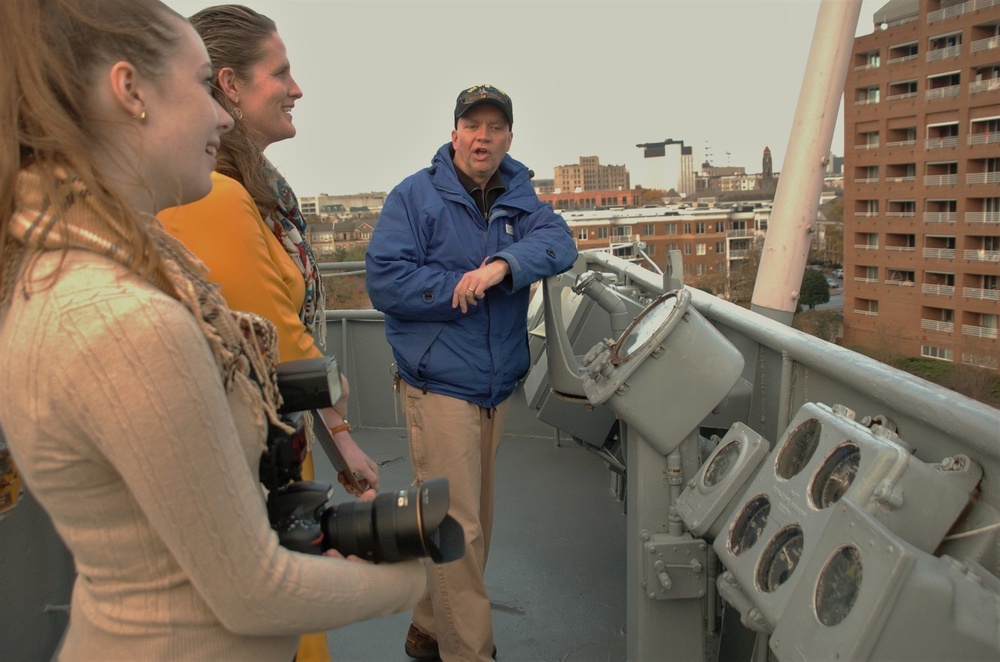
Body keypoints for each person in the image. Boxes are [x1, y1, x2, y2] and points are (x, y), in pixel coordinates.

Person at [0, 1, 424, 660]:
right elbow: (253, 590)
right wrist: (417, 574)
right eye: (204, 85)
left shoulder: (83, 276)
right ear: (130, 91)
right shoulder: (122, 321)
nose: (222, 116)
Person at [156, 7, 378, 659]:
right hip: (255, 464)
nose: (297, 88)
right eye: (279, 73)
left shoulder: (264, 190)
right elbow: (275, 341)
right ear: (228, 84)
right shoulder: (216, 198)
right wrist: (342, 437)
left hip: (275, 450)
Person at [365, 84, 578, 661]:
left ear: (509, 137)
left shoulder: (520, 196)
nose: (483, 137)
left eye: (495, 127)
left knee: (471, 521)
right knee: (459, 529)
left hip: (492, 384)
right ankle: (470, 653)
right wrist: (455, 286)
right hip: (438, 384)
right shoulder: (414, 197)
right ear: (454, 132)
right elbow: (384, 282)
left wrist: (503, 266)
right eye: (473, 125)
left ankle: (429, 627)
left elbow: (560, 243)